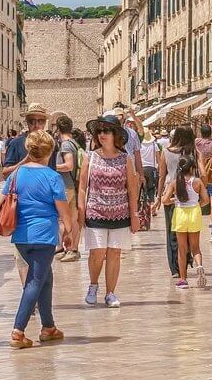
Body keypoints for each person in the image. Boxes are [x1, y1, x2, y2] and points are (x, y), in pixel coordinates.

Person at [9, 131, 74, 348]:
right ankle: (18, 330)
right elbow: (63, 211)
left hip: (20, 235)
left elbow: (2, 199)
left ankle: (49, 327)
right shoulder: (52, 176)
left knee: (45, 277)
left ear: (28, 149)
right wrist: (68, 232)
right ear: (50, 151)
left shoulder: (16, 175)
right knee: (35, 281)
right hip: (44, 235)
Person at [80, 114, 140, 308]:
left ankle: (111, 293)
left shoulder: (125, 159)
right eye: (99, 131)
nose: (102, 134)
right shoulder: (89, 157)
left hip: (120, 213)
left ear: (115, 134)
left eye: (106, 131)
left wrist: (135, 214)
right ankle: (93, 285)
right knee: (97, 253)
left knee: (114, 253)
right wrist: (81, 212)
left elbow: (132, 189)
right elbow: (82, 187)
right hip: (95, 212)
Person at [160, 154, 208, 289]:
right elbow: (206, 200)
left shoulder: (175, 182)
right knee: (195, 247)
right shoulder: (197, 182)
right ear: (192, 168)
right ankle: (199, 266)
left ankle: (182, 279)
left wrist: (173, 201)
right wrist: (197, 204)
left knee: (182, 249)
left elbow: (164, 200)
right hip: (194, 213)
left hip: (180, 214)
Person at [158, 125, 193, 278]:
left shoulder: (166, 152)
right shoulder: (192, 152)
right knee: (188, 230)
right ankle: (185, 261)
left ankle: (175, 267)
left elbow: (161, 175)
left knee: (172, 231)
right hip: (190, 194)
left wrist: (159, 197)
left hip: (170, 194)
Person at [53, 116, 81, 261]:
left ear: (58, 128)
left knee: (61, 219)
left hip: (64, 186)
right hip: (71, 186)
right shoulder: (74, 143)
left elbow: (68, 165)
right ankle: (73, 249)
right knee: (73, 219)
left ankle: (61, 248)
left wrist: (51, 167)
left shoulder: (65, 145)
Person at [3, 103, 51, 178]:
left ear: (45, 122)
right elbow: (5, 174)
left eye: (40, 121)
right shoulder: (16, 143)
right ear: (27, 122)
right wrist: (25, 161)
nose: (36, 125)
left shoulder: (50, 144)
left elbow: (54, 172)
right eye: (32, 121)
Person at [194, 124, 212, 245]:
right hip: (210, 169)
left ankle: (196, 212)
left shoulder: (197, 141)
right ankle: (211, 218)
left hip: (199, 167)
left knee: (197, 192)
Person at [138, 127, 160, 231]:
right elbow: (158, 158)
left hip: (141, 169)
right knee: (151, 189)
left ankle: (141, 211)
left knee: (141, 191)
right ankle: (152, 208)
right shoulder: (154, 144)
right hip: (152, 169)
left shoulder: (139, 145)